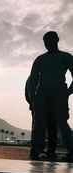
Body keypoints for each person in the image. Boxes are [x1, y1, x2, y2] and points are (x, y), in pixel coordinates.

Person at [28, 31, 73, 162]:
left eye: (50, 40)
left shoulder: (66, 57)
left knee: (63, 123)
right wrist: (33, 96)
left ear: (57, 40)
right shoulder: (40, 59)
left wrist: (68, 92)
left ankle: (71, 151)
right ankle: (35, 150)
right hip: (42, 93)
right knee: (38, 124)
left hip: (59, 92)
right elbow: (33, 79)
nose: (48, 44)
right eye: (45, 42)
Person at [25, 76, 57, 160]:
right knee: (48, 128)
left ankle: (42, 150)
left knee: (43, 128)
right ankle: (43, 150)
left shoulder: (33, 77)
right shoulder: (34, 76)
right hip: (43, 107)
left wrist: (32, 102)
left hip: (47, 107)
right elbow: (28, 92)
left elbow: (27, 92)